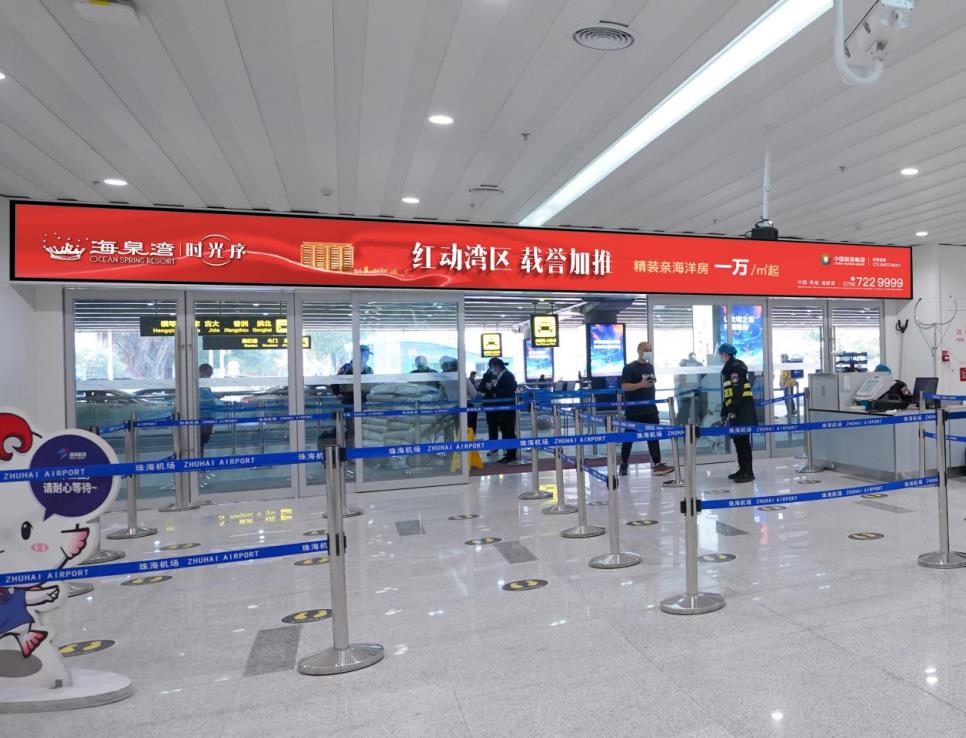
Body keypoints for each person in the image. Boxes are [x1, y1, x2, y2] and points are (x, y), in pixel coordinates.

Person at [619, 342, 674, 477]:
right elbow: (625, 386)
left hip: (650, 409)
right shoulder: (629, 368)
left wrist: (647, 385)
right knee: (629, 437)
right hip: (634, 410)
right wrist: (641, 385)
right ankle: (624, 463)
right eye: (646, 350)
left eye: (650, 350)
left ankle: (657, 463)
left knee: (653, 436)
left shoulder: (650, 367)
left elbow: (651, 383)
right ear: (639, 351)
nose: (648, 352)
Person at [718, 343, 757, 483]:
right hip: (736, 409)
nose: (720, 357)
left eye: (721, 354)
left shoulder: (736, 368)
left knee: (743, 441)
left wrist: (732, 410)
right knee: (738, 440)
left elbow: (738, 391)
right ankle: (742, 469)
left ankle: (748, 472)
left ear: (725, 354)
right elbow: (728, 393)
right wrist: (724, 412)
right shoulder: (730, 368)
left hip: (742, 410)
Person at [478, 357, 518, 463]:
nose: (491, 370)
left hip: (507, 409)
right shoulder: (500, 376)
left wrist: (492, 389)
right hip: (501, 409)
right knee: (505, 430)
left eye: (492, 367)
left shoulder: (508, 375)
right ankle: (509, 454)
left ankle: (511, 455)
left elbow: (508, 390)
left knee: (509, 431)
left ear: (497, 366)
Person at [198, 363, 216, 456]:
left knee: (202, 441)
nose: (209, 376)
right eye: (209, 374)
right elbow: (204, 399)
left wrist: (215, 396)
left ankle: (199, 460)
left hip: (207, 415)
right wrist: (215, 397)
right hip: (203, 415)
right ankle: (199, 460)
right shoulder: (200, 383)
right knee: (200, 441)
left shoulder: (204, 384)